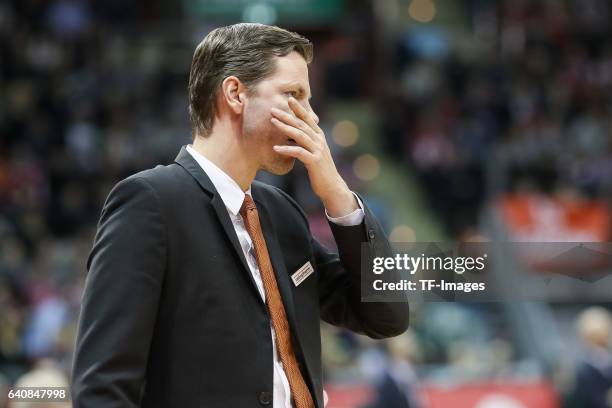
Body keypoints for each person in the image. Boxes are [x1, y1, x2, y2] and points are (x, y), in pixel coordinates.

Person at [71, 23, 409, 408]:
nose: (312, 118)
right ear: (235, 93)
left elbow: (386, 315)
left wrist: (339, 197)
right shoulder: (151, 201)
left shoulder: (281, 214)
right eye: (294, 94)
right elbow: (102, 388)